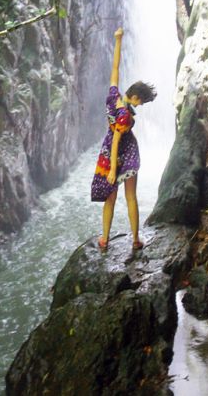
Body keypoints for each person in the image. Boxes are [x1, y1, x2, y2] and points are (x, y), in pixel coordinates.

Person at [90, 27, 156, 251]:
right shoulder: (125, 115)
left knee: (110, 197)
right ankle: (136, 239)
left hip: (108, 150)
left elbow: (115, 67)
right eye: (141, 102)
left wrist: (117, 40)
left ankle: (105, 239)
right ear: (135, 97)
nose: (140, 105)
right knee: (130, 196)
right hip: (124, 154)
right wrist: (111, 170)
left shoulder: (113, 96)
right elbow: (118, 138)